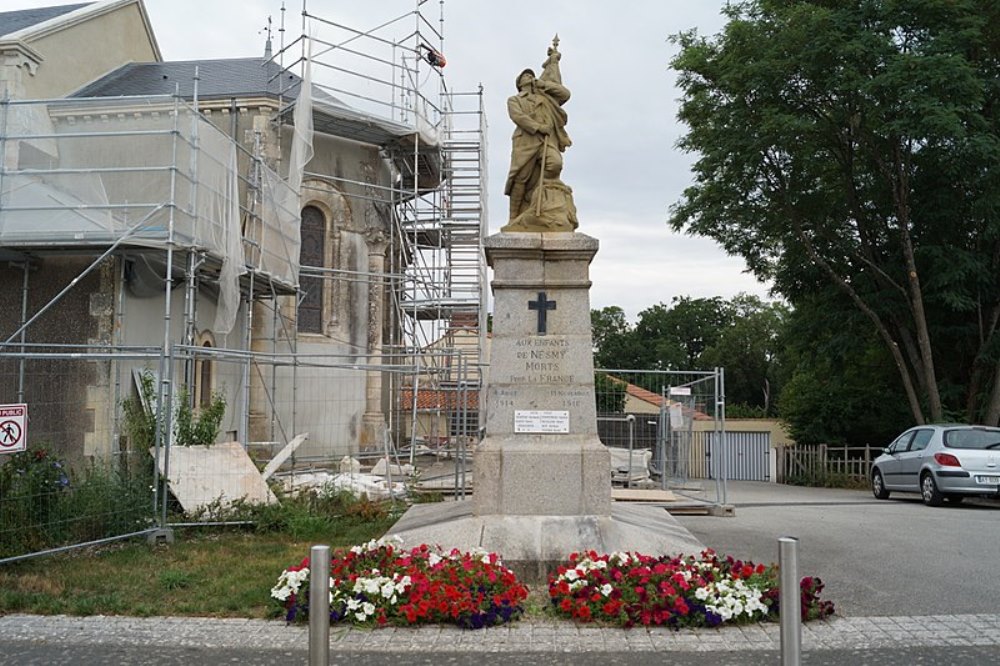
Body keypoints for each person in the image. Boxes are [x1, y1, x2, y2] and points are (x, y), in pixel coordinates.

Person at [503, 39, 572, 226]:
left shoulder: (545, 96)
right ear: (519, 83)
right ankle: (514, 217)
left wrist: (543, 82)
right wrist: (537, 126)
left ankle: (542, 204)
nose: (529, 76)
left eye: (530, 75)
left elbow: (564, 94)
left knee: (555, 164)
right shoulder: (514, 99)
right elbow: (518, 117)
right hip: (526, 141)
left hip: (546, 140)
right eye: (525, 75)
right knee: (521, 178)